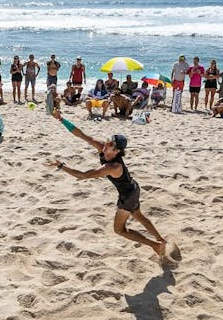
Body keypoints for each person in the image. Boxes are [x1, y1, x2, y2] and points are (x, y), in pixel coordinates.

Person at [47, 110, 178, 263]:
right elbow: (81, 134)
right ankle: (162, 240)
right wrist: (61, 119)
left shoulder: (113, 167)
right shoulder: (104, 148)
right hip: (133, 189)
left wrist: (61, 166)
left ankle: (155, 245)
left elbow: (83, 175)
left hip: (127, 197)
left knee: (119, 230)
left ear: (116, 151)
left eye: (110, 143)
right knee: (139, 216)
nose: (106, 143)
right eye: (108, 140)